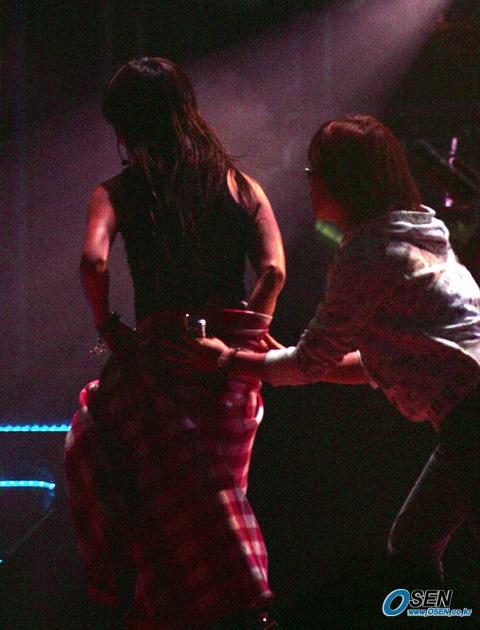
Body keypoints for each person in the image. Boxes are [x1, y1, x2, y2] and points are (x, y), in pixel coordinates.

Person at [171, 114, 480, 591]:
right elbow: (386, 362)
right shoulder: (417, 234)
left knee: (414, 547)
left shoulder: (367, 255)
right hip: (465, 419)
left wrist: (226, 360)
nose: (309, 182)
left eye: (314, 171)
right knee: (413, 544)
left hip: (470, 422)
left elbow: (308, 365)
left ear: (342, 180)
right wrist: (290, 360)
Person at [64, 57, 285, 630]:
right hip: (225, 376)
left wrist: (108, 328)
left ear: (125, 127)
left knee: (167, 517)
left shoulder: (117, 191)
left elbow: (93, 262)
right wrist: (246, 338)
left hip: (157, 366)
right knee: (217, 498)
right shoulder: (240, 185)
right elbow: (274, 270)